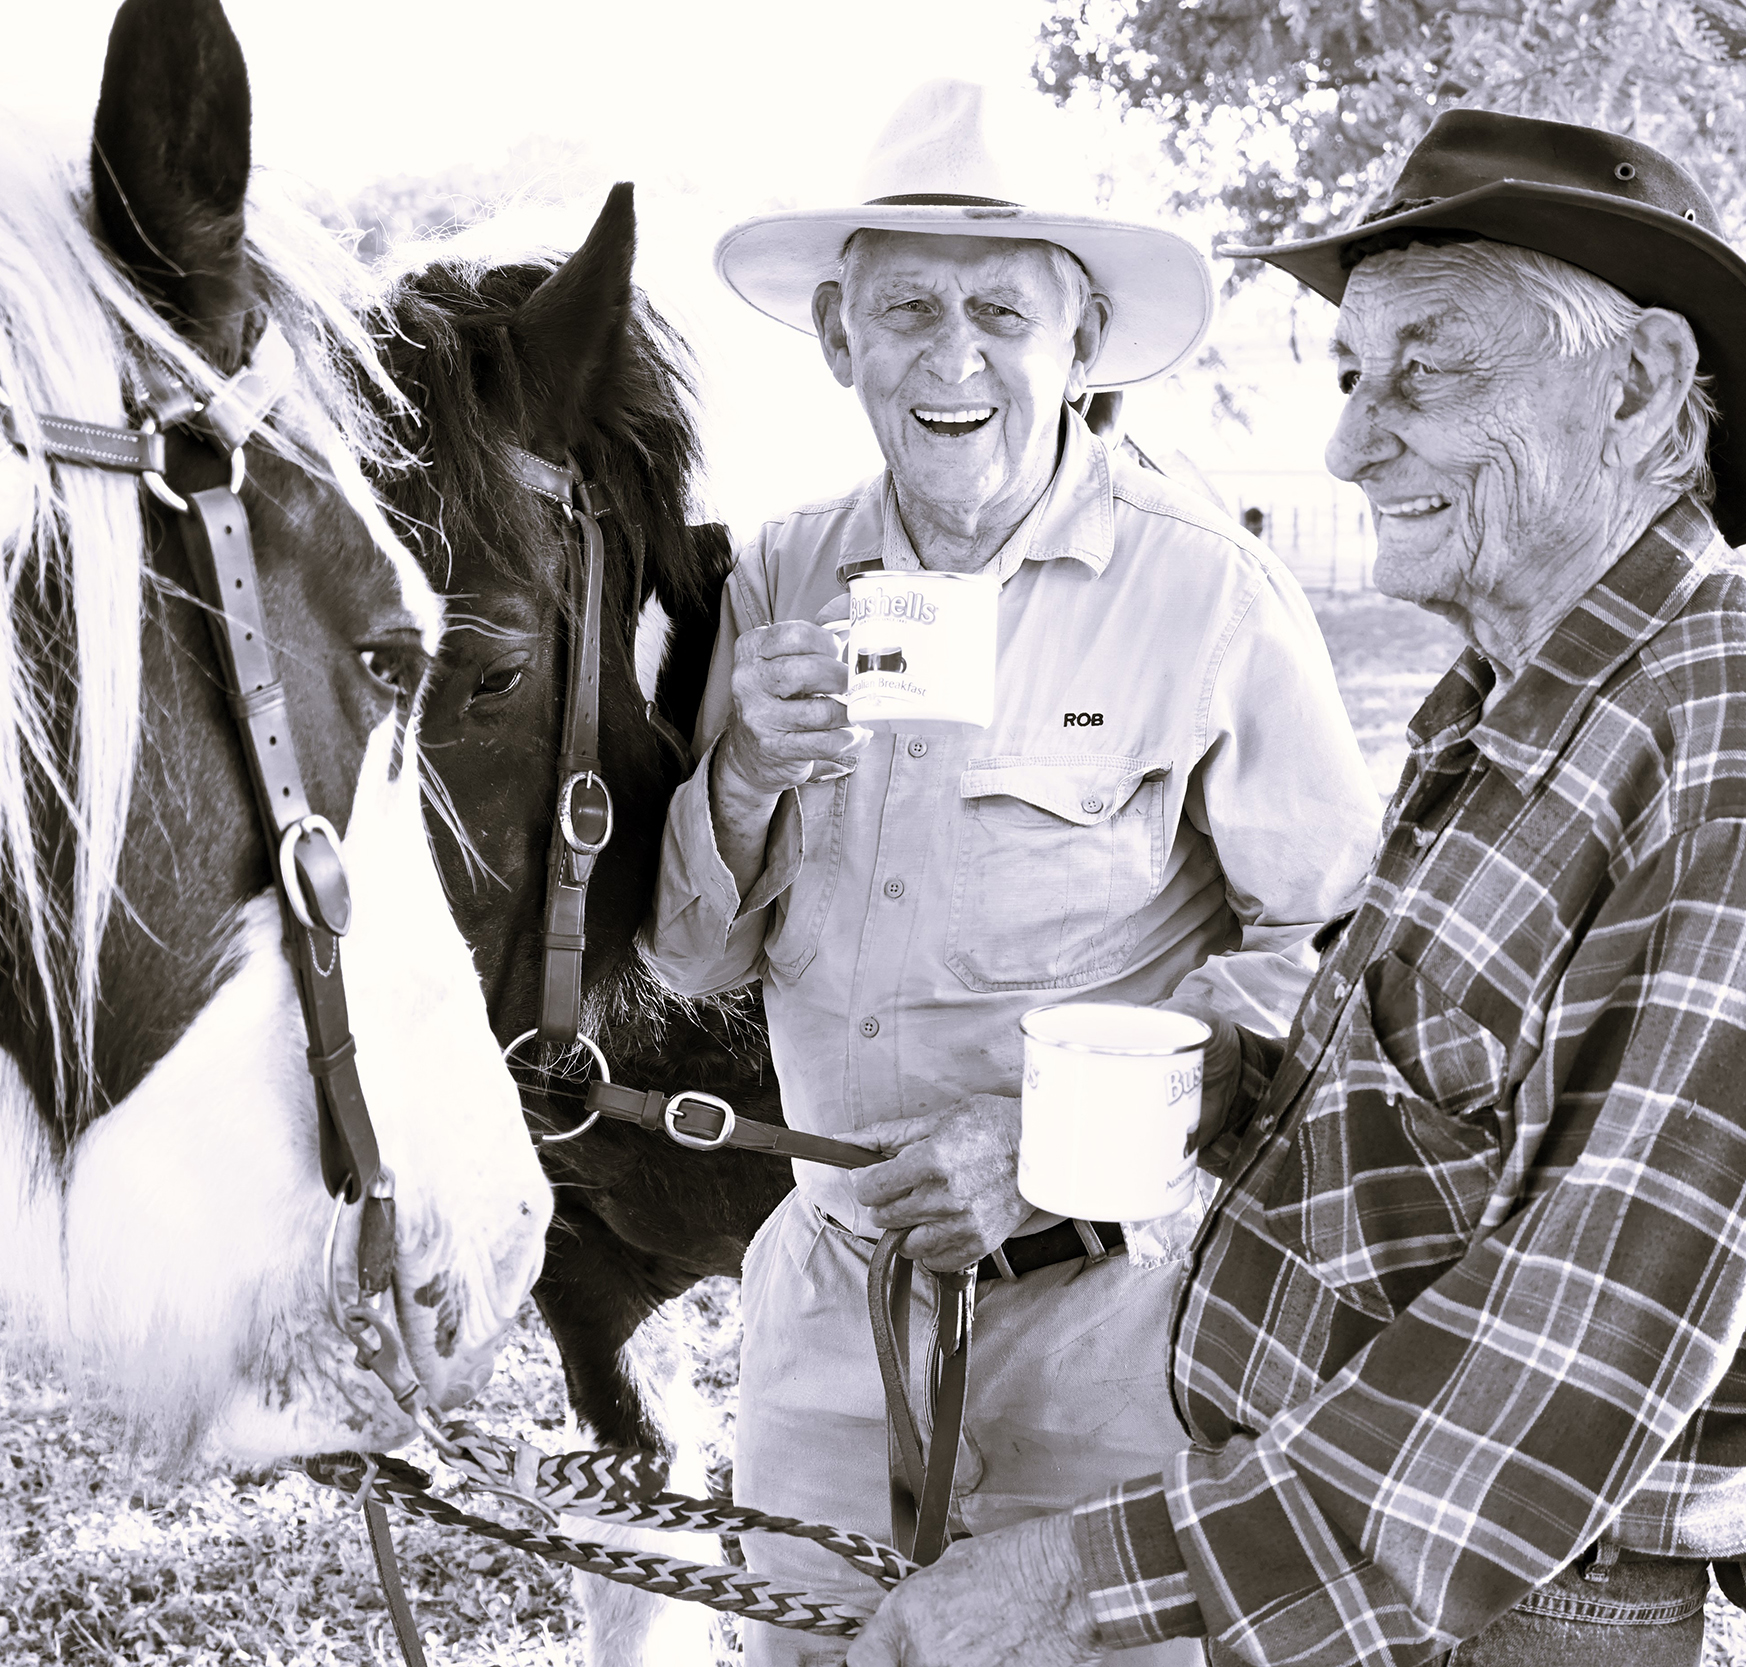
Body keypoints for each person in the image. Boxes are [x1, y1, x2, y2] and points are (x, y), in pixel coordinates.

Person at [845, 110, 1746, 1667]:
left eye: (1428, 371)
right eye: (1356, 377)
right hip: (1403, 1575)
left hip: (1548, 1616)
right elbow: (1456, 1113)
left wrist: (1068, 1584)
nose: (1354, 445)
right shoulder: (1527, 702)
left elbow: (1560, 1372)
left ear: (1636, 387)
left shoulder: (1733, 775)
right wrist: (1205, 1085)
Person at [642, 80, 1382, 1665]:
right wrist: (745, 770)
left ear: (1083, 342)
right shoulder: (779, 574)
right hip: (827, 1318)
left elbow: (1334, 947)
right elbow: (694, 963)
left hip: (1110, 1331)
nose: (953, 359)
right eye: (908, 310)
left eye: (1001, 314)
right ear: (838, 338)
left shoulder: (1208, 594)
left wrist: (1055, 1147)